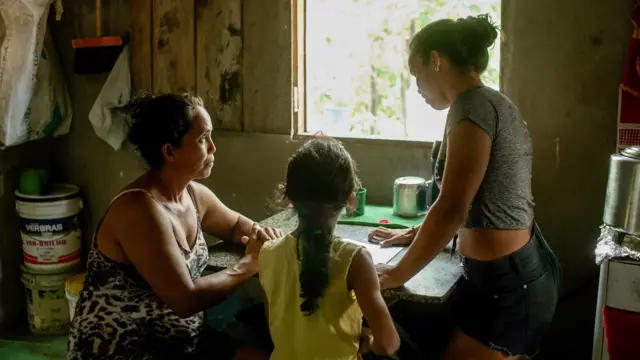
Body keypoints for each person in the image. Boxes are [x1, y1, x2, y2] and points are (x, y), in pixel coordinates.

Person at [368, 14, 561, 360]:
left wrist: (397, 272)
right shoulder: (484, 103)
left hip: (510, 288)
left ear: (435, 60)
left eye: (417, 74)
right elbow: (478, 199)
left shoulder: (471, 106)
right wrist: (418, 230)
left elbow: (453, 206)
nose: (417, 87)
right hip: (514, 277)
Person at [67, 93, 283, 360]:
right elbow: (185, 300)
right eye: (203, 139)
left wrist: (260, 235)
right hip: (127, 349)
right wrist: (249, 264)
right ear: (170, 151)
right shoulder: (139, 210)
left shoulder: (193, 195)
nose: (213, 148)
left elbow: (236, 224)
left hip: (185, 341)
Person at [259, 138, 400, 360]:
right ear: (351, 201)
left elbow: (277, 327)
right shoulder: (355, 259)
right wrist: (369, 339)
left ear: (291, 199)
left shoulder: (266, 253)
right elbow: (388, 344)